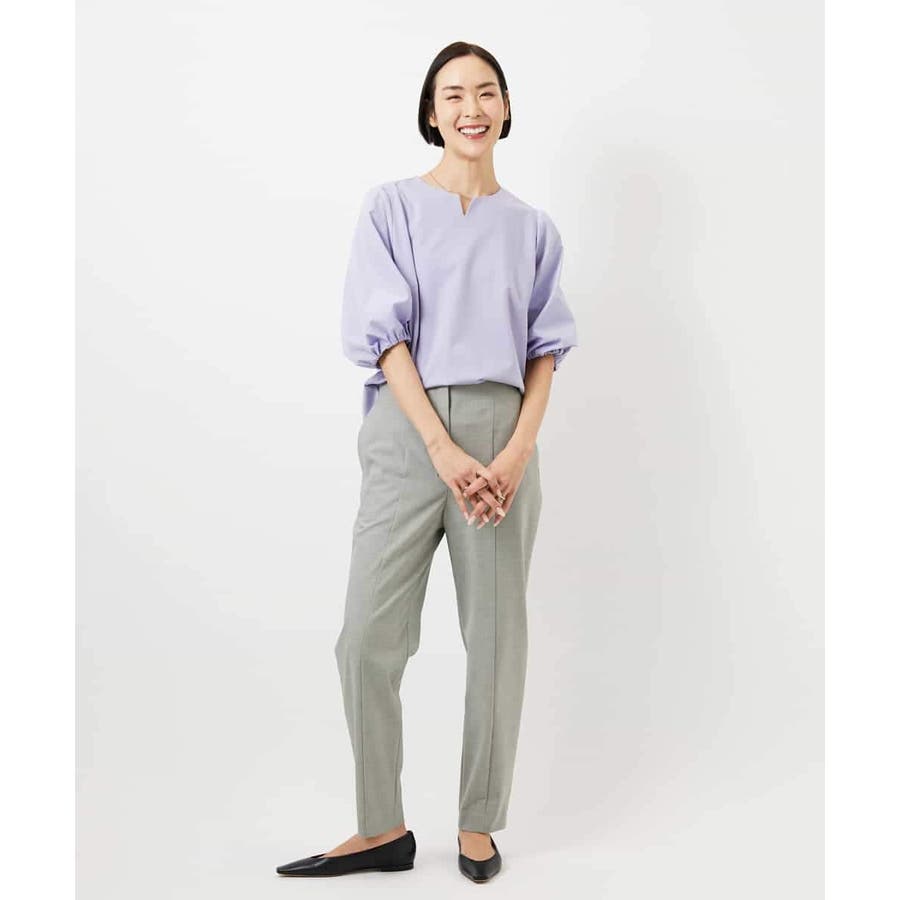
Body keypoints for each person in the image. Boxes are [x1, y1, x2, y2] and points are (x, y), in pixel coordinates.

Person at [276, 41, 577, 883]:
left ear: (506, 109)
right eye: (453, 95)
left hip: (502, 436)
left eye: (486, 92)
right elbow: (384, 336)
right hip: (411, 434)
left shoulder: (533, 229)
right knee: (366, 638)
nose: (470, 108)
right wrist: (441, 447)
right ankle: (382, 827)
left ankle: (479, 822)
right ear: (431, 112)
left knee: (496, 640)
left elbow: (546, 350)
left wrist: (515, 451)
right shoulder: (392, 208)